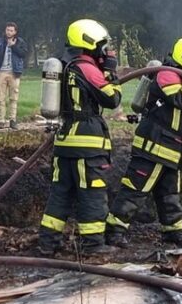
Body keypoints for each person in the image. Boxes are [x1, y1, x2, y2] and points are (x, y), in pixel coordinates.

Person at [105, 37, 182, 248]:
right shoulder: (167, 75)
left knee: (169, 195)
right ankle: (114, 232)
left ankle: (173, 232)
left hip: (172, 150)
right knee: (135, 190)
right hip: (152, 147)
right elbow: (180, 100)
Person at [37, 19, 122, 256]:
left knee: (60, 195)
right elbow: (112, 98)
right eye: (102, 45)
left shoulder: (64, 65)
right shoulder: (87, 68)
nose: (104, 51)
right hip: (87, 145)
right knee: (92, 194)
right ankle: (93, 245)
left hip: (64, 142)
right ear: (89, 42)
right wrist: (110, 72)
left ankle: (48, 243)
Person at [0, 22, 29, 129]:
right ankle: (1, 120)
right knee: (1, 97)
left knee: (13, 97)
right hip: (1, 72)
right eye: (7, 30)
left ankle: (12, 120)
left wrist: (13, 46)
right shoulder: (0, 41)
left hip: (14, 72)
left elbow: (23, 54)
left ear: (15, 32)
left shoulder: (20, 42)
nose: (9, 32)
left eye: (11, 30)